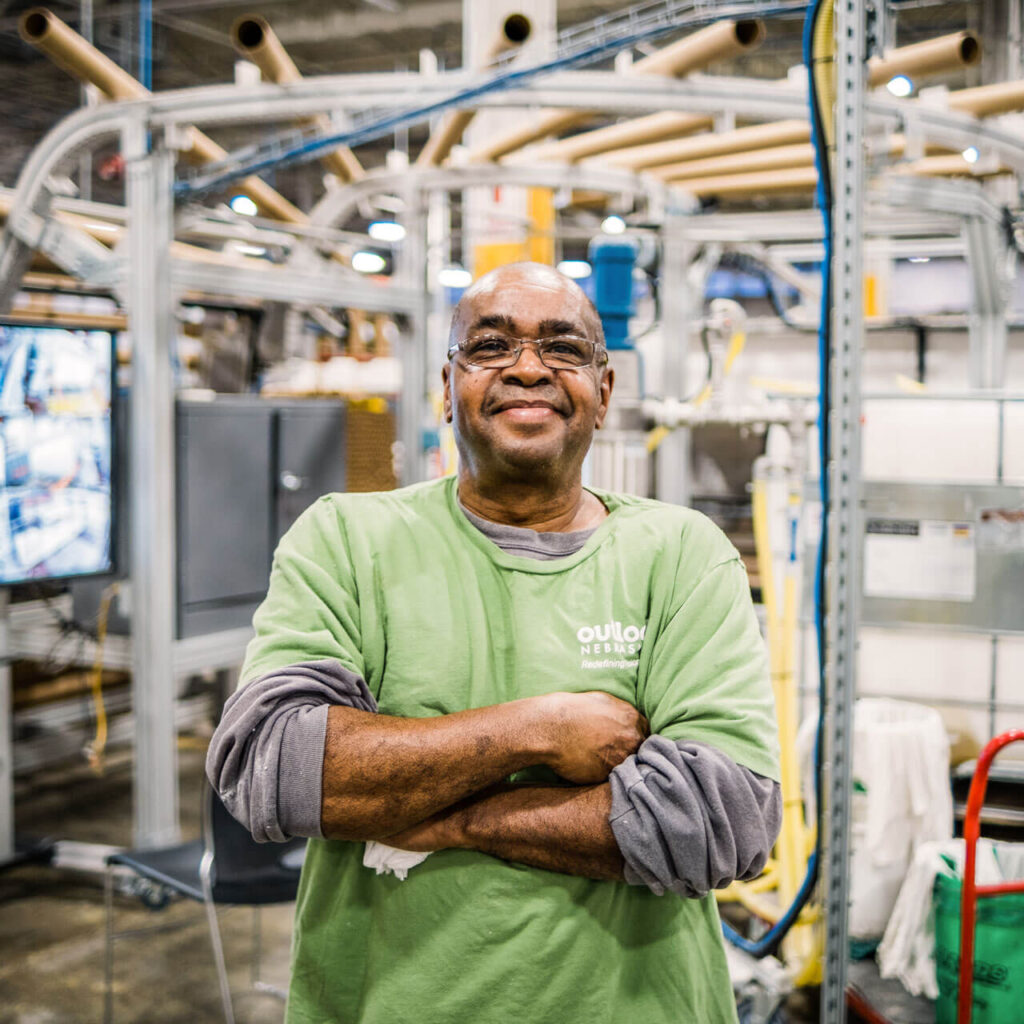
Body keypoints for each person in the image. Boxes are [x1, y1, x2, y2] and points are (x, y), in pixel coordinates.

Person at [208, 261, 781, 1024]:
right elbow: (274, 769)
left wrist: (454, 818)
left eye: (563, 348)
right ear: (447, 388)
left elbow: (719, 822)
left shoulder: (681, 554)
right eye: (489, 346)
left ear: (603, 393)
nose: (528, 369)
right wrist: (540, 728)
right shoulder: (347, 539)